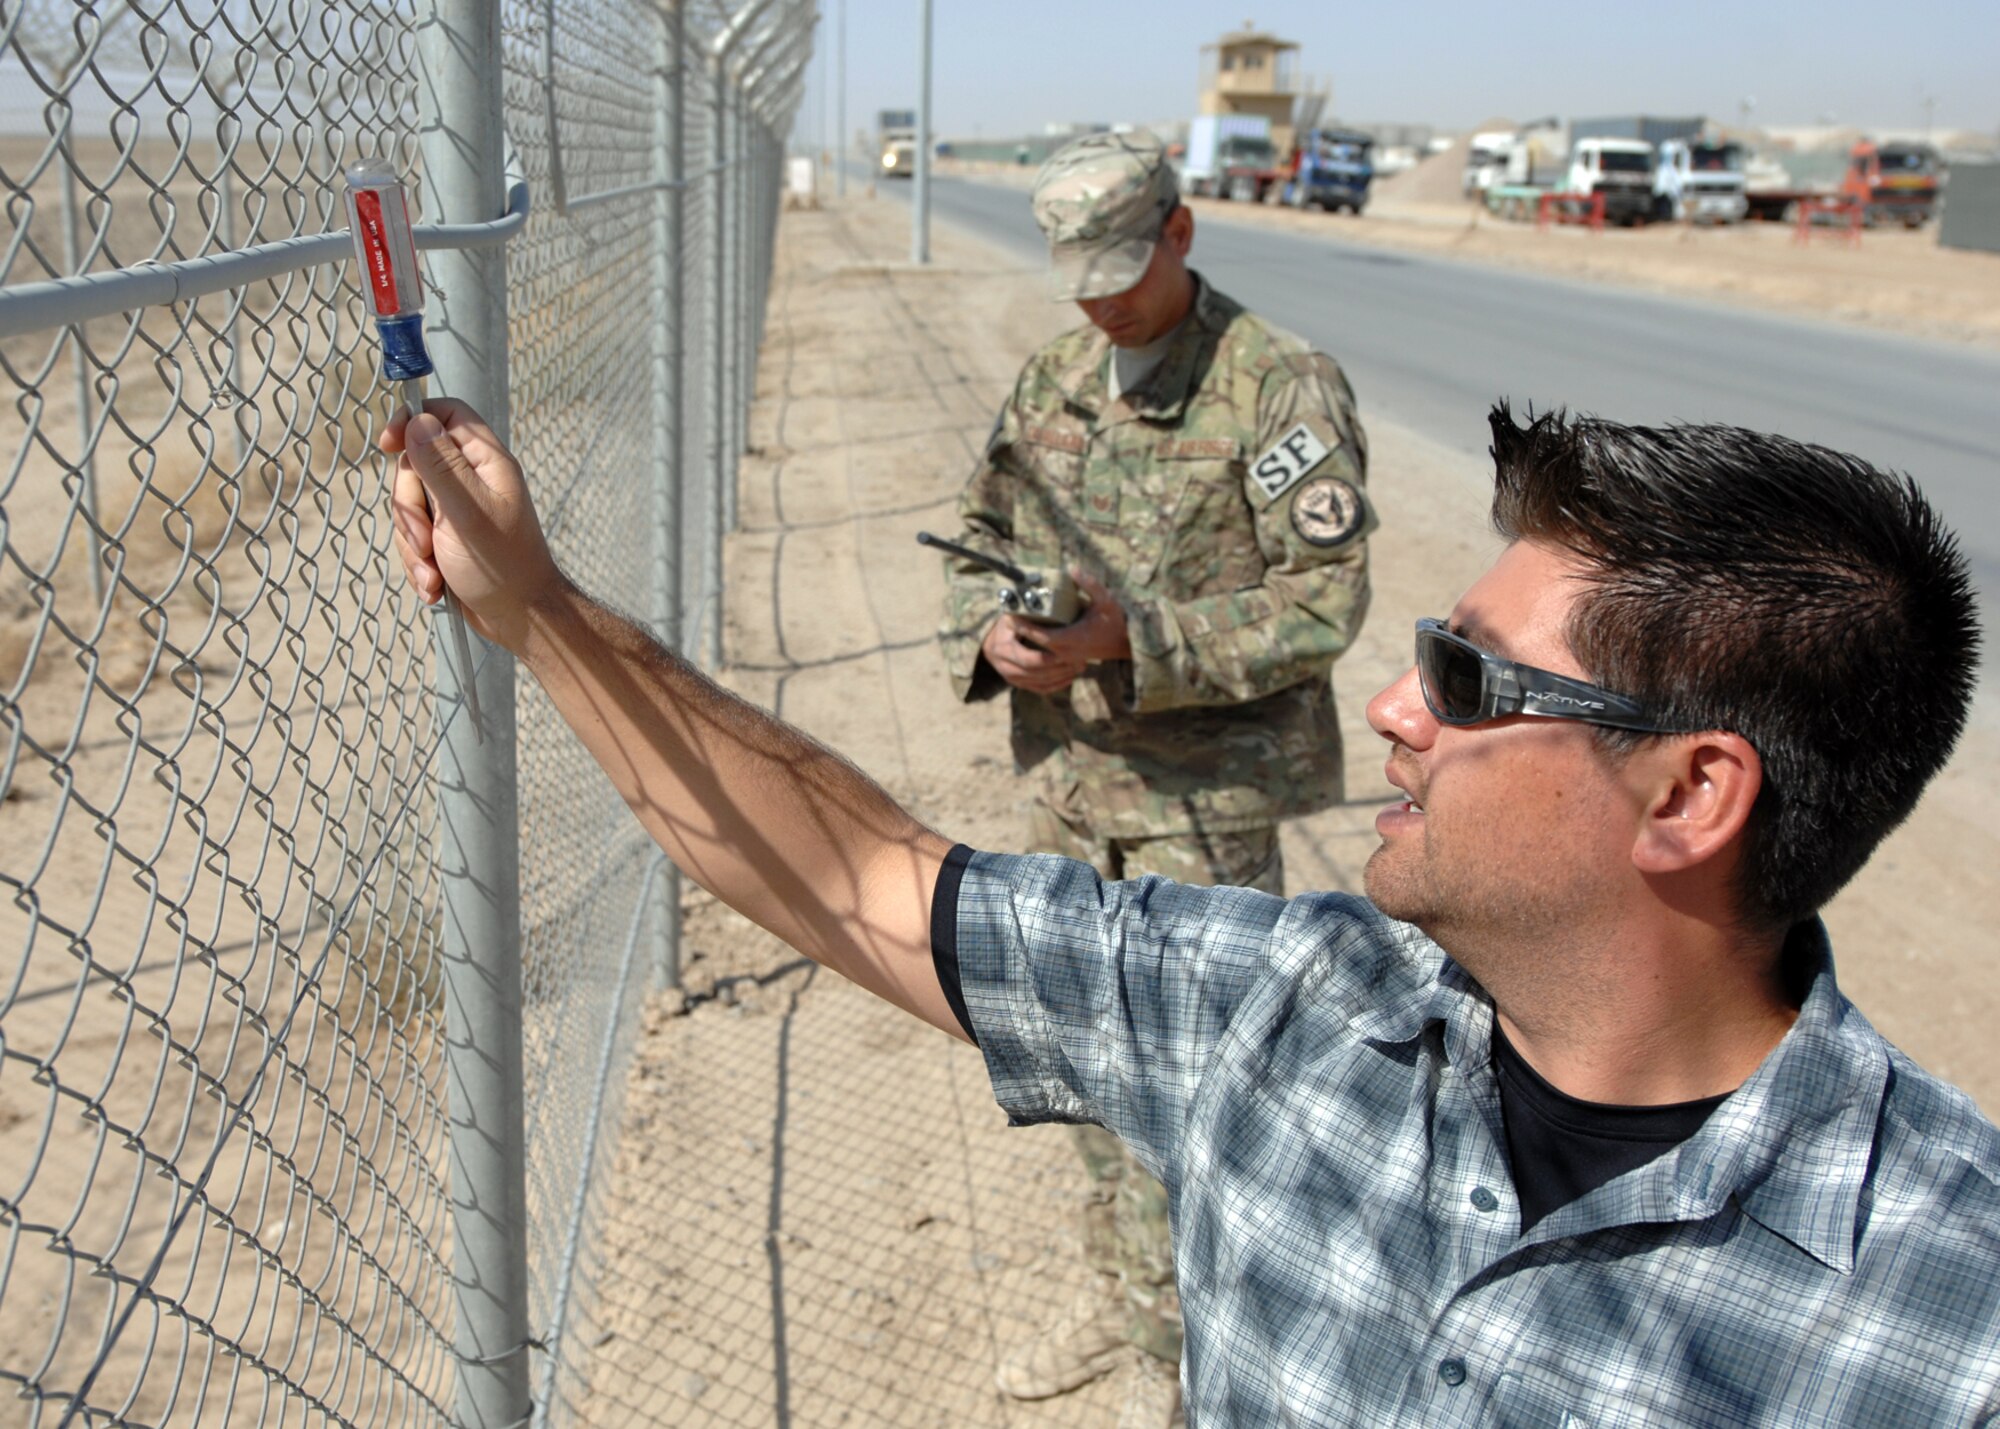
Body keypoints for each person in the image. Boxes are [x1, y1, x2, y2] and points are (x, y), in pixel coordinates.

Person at [384, 397, 1997, 1426]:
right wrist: (541, 609)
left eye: (1464, 676)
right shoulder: (1292, 1010)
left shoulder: (1950, 1319)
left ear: (1690, 795)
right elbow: (868, 877)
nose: (1395, 708)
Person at [933, 130, 1373, 1418]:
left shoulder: (1277, 386)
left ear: (1180, 234)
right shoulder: (1058, 376)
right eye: (1080, 281)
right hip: (1069, 790)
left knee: (1201, 1094)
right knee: (1077, 1066)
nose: (1102, 307)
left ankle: (1188, 1359)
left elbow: (1324, 602)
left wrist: (1141, 639)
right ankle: (1127, 1306)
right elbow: (979, 529)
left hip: (1201, 813)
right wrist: (989, 631)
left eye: (1123, 275)